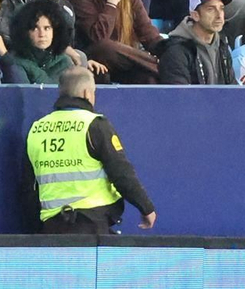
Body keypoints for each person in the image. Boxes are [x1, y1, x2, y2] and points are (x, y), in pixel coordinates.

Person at [26, 66, 156, 234]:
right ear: (87, 93)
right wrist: (145, 207)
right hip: (92, 223)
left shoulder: (37, 128)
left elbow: (29, 186)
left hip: (52, 225)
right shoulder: (94, 125)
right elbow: (121, 172)